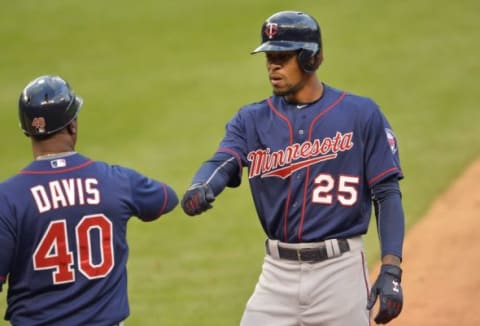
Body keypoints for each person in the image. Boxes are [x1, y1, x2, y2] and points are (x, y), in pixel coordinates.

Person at [181, 10, 405, 325]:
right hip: (276, 274)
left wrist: (391, 267)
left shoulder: (361, 114)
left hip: (339, 274)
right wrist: (202, 186)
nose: (272, 66)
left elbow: (386, 191)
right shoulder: (251, 119)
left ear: (311, 58)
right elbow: (224, 161)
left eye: (282, 57)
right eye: (269, 57)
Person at [0, 75, 179, 325]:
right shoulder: (114, 180)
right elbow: (166, 199)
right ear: (72, 125)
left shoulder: (8, 198)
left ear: (27, 131)